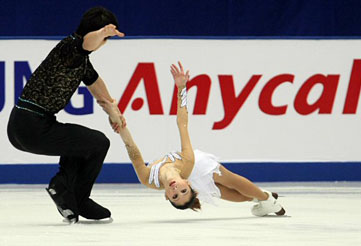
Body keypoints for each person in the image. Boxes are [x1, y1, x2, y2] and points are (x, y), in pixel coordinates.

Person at [103, 62, 285, 216]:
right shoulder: (186, 162)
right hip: (194, 166)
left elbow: (131, 146)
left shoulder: (148, 179)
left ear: (166, 195)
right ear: (189, 185)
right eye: (183, 192)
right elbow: (182, 122)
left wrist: (119, 123)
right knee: (228, 191)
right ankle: (263, 197)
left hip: (196, 168)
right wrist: (182, 88)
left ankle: (266, 200)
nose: (176, 190)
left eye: (174, 195)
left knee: (231, 182)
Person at [7, 6, 126, 223]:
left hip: (27, 124)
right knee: (99, 143)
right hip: (30, 125)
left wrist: (112, 111)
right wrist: (102, 33)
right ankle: (78, 198)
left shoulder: (81, 61)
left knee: (84, 142)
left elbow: (96, 84)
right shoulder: (72, 47)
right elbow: (85, 43)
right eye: (104, 38)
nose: (104, 43)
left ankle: (65, 192)